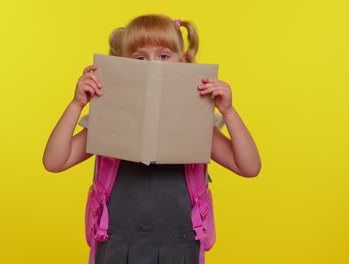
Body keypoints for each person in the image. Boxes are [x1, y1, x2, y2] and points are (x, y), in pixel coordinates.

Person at [43, 14, 261, 264]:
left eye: (164, 56)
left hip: (180, 247)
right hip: (116, 245)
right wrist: (76, 104)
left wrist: (228, 112)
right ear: (124, 65)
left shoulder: (196, 122)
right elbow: (55, 161)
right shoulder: (110, 118)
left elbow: (249, 167)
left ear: (184, 61)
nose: (153, 66)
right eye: (140, 58)